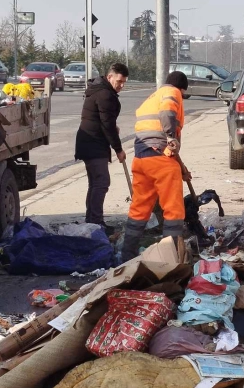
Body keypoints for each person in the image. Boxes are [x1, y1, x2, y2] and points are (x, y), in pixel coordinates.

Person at [121, 71, 190, 262]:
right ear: (181, 88)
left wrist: (181, 165)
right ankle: (171, 256)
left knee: (139, 208)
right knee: (173, 210)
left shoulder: (151, 98)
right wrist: (170, 136)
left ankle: (127, 255)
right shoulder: (173, 92)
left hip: (142, 159)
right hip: (161, 159)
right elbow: (168, 112)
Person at [74, 63, 129, 235]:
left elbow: (105, 121)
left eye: (124, 82)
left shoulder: (99, 89)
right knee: (102, 182)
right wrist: (118, 149)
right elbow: (107, 125)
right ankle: (96, 222)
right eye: (119, 81)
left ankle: (92, 220)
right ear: (110, 76)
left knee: (95, 184)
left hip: (90, 141)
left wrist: (113, 127)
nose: (121, 85)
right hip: (93, 143)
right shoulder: (105, 94)